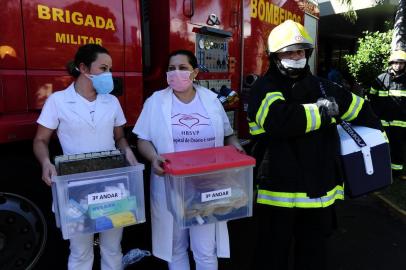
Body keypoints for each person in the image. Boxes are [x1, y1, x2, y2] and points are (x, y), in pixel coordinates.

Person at [248, 20, 382, 270]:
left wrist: (375, 140)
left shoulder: (326, 86)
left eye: (300, 51)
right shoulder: (264, 89)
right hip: (278, 194)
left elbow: (363, 110)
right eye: (289, 51)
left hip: (319, 194)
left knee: (313, 257)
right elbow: (281, 120)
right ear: (275, 56)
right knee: (270, 256)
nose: (296, 56)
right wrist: (324, 112)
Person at [132, 49, 243, 270]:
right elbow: (142, 139)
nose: (176, 73)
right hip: (171, 184)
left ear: (195, 72)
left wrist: (236, 147)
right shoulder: (156, 101)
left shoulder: (211, 100)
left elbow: (228, 133)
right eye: (171, 68)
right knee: (176, 248)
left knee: (204, 249)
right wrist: (154, 158)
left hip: (207, 184)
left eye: (182, 68)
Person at [33, 44, 138, 270]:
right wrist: (45, 163)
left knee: (112, 248)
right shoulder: (58, 101)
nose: (109, 74)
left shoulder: (111, 101)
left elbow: (119, 137)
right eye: (103, 68)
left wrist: (127, 150)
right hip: (76, 186)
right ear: (83, 68)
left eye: (110, 69)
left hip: (112, 183)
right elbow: (40, 140)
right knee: (80, 251)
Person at [369, 50, 406, 180]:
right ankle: (380, 169)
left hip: (400, 122)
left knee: (398, 147)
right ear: (391, 63)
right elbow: (371, 97)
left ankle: (396, 172)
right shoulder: (381, 78)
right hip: (382, 120)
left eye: (401, 63)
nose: (398, 65)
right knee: (381, 146)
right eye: (395, 62)